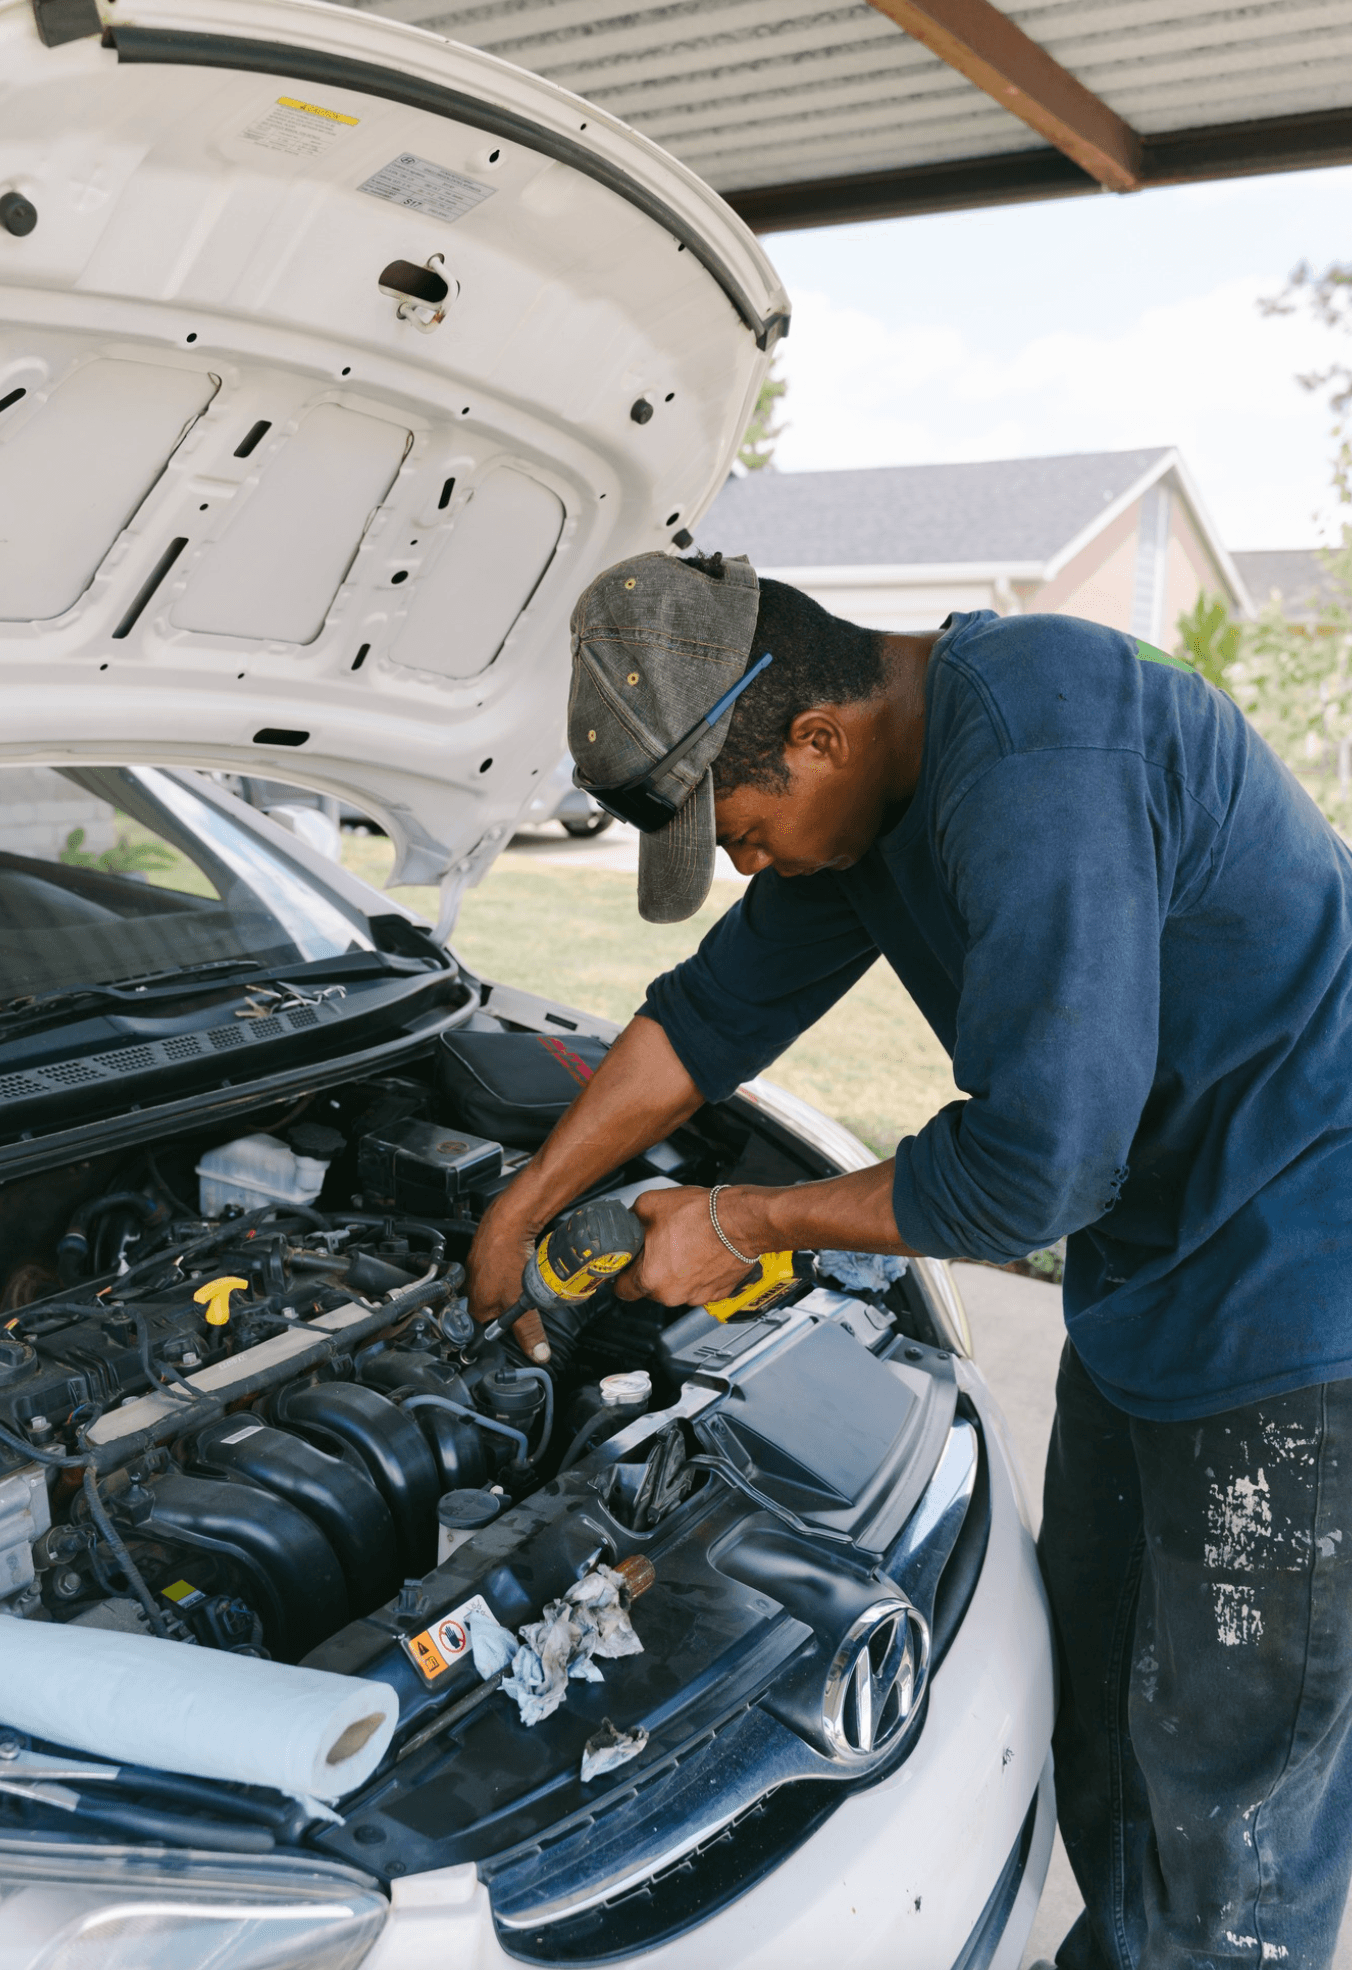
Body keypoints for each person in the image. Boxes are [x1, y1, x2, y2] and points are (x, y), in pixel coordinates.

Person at [468, 549, 1352, 1969]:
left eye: (745, 834)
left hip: (1303, 1296)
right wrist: (524, 1204)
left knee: (1232, 1818)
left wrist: (740, 1223)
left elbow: (1035, 1171)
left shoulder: (1036, 753)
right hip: (1160, 1286)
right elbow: (711, 1015)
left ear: (816, 735)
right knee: (1117, 1741)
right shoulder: (868, 800)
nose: (747, 867)